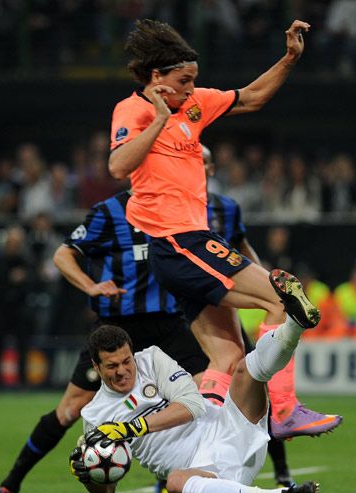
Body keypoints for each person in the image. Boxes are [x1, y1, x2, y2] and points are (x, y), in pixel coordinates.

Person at [107, 19, 342, 437]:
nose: (190, 89)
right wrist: (159, 119)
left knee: (227, 358)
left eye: (194, 80)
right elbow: (118, 166)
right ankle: (284, 410)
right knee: (282, 299)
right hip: (179, 241)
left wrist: (289, 58)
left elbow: (251, 97)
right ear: (157, 77)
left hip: (184, 246)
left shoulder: (194, 104)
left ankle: (197, 447)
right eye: (183, 81)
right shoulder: (133, 111)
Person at [0, 189, 209, 493]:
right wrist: (90, 286)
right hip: (116, 329)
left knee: (209, 388)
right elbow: (62, 255)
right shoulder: (108, 212)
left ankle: (220, 490)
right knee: (69, 410)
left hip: (167, 323)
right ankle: (8, 487)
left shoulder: (177, 206)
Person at [69, 307, 321, 493]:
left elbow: (192, 405)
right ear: (96, 366)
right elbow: (107, 492)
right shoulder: (95, 415)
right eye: (112, 366)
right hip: (206, 474)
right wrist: (87, 475)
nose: (123, 371)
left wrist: (132, 427)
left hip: (230, 429)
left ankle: (295, 324)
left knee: (244, 369)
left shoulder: (151, 360)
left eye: (127, 361)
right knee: (174, 483)